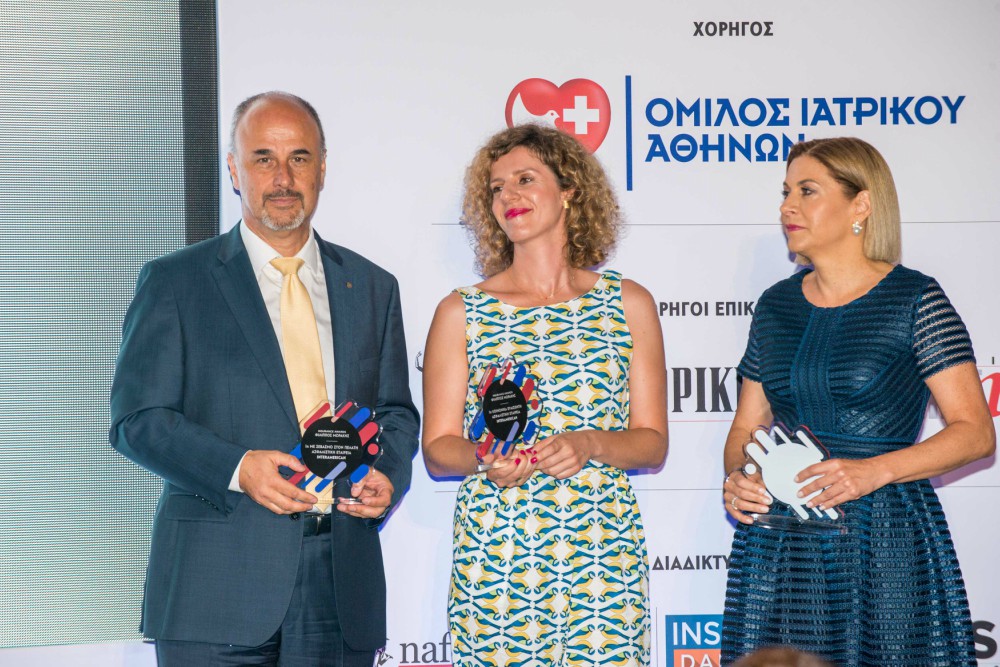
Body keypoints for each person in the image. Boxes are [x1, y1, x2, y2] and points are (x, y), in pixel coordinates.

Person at [110, 91, 419, 666]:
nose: (283, 178)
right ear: (234, 169)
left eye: (299, 158)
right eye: (263, 159)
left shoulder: (373, 287)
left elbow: (395, 412)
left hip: (340, 587)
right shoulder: (176, 282)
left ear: (322, 169)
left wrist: (389, 475)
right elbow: (138, 421)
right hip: (214, 587)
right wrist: (237, 468)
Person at [720, 137, 994, 665]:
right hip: (782, 544)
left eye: (807, 191)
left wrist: (874, 471)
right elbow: (746, 428)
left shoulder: (915, 299)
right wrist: (740, 477)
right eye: (785, 192)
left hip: (883, 534)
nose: (787, 206)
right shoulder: (775, 305)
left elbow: (976, 433)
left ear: (861, 205)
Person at [422, 124, 668, 666]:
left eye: (525, 179)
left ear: (569, 189)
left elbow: (652, 443)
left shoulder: (628, 303)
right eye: (496, 188)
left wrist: (590, 443)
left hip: (602, 555)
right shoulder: (461, 311)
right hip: (498, 555)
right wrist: (486, 458)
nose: (507, 196)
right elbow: (438, 449)